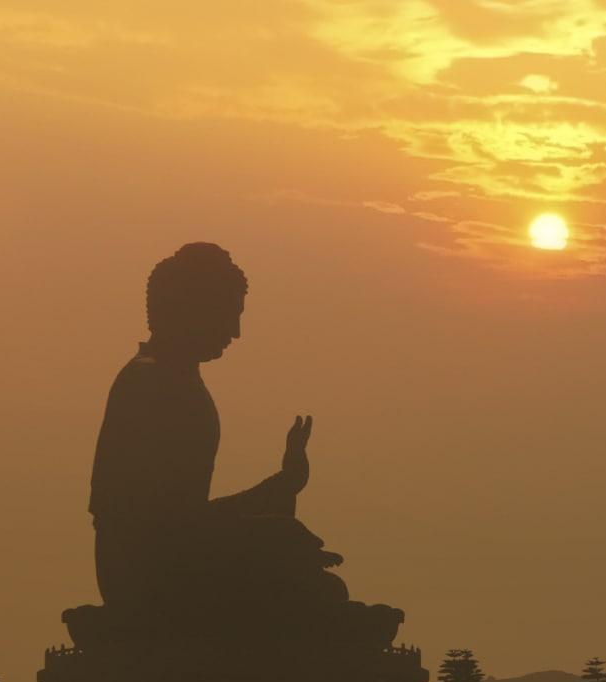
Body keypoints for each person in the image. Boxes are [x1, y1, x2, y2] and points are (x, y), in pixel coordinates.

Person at [77, 242, 398, 647]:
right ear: (189, 309)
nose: (235, 332)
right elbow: (158, 529)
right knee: (319, 593)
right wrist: (272, 533)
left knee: (317, 585)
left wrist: (281, 487)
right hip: (145, 574)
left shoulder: (173, 380)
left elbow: (186, 518)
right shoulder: (151, 385)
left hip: (168, 559)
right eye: (228, 315)